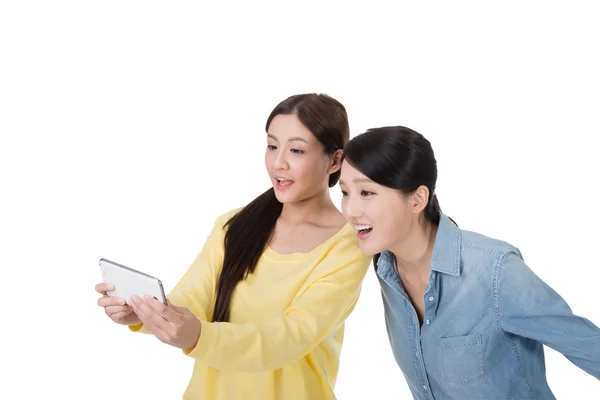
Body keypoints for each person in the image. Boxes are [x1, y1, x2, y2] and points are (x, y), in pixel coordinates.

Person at [95, 93, 371, 400]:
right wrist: (145, 312)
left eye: (296, 150)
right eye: (271, 146)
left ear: (334, 160)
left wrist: (200, 336)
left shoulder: (349, 245)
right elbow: (194, 297)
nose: (279, 163)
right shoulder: (233, 225)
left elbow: (292, 336)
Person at [339, 126, 600, 399]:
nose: (351, 211)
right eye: (345, 193)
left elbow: (590, 347)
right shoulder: (385, 268)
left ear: (417, 200)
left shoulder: (494, 271)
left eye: (366, 193)